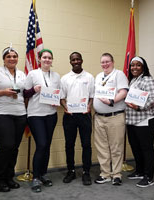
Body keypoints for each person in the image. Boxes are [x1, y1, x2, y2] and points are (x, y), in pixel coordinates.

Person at [0, 46, 27, 192]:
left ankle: (9, 177)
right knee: (6, 146)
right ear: (3, 59)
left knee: (14, 148)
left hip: (20, 114)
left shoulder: (21, 74)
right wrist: (2, 92)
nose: (12, 59)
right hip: (0, 114)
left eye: (14, 56)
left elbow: (25, 93)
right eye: (8, 56)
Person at [23, 49, 60, 193]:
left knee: (47, 145)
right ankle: (36, 177)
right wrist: (34, 89)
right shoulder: (33, 74)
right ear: (39, 59)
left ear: (52, 60)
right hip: (35, 114)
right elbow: (25, 93)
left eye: (50, 58)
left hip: (51, 114)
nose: (47, 60)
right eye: (44, 57)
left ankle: (44, 174)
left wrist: (55, 101)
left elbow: (59, 93)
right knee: (41, 144)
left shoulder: (56, 76)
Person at [93, 53, 129, 186]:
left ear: (113, 62)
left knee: (116, 147)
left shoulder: (118, 74)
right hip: (99, 118)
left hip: (115, 116)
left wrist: (112, 101)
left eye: (107, 61)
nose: (105, 64)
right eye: (102, 62)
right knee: (102, 147)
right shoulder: (98, 76)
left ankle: (117, 174)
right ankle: (105, 174)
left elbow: (123, 92)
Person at [125, 56, 154, 188]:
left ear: (143, 67)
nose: (134, 67)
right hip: (132, 120)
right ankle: (140, 171)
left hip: (145, 119)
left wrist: (140, 107)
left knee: (146, 149)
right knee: (136, 147)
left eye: (138, 65)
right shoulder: (132, 80)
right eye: (132, 65)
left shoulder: (148, 80)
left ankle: (149, 176)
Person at [60, 52, 94, 186]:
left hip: (85, 115)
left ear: (82, 60)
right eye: (73, 60)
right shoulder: (65, 78)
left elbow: (91, 96)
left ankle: (86, 172)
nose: (76, 61)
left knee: (86, 144)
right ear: (70, 62)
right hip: (70, 115)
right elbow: (62, 97)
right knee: (69, 144)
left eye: (78, 59)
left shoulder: (90, 77)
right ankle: (71, 171)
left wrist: (89, 106)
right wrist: (65, 107)